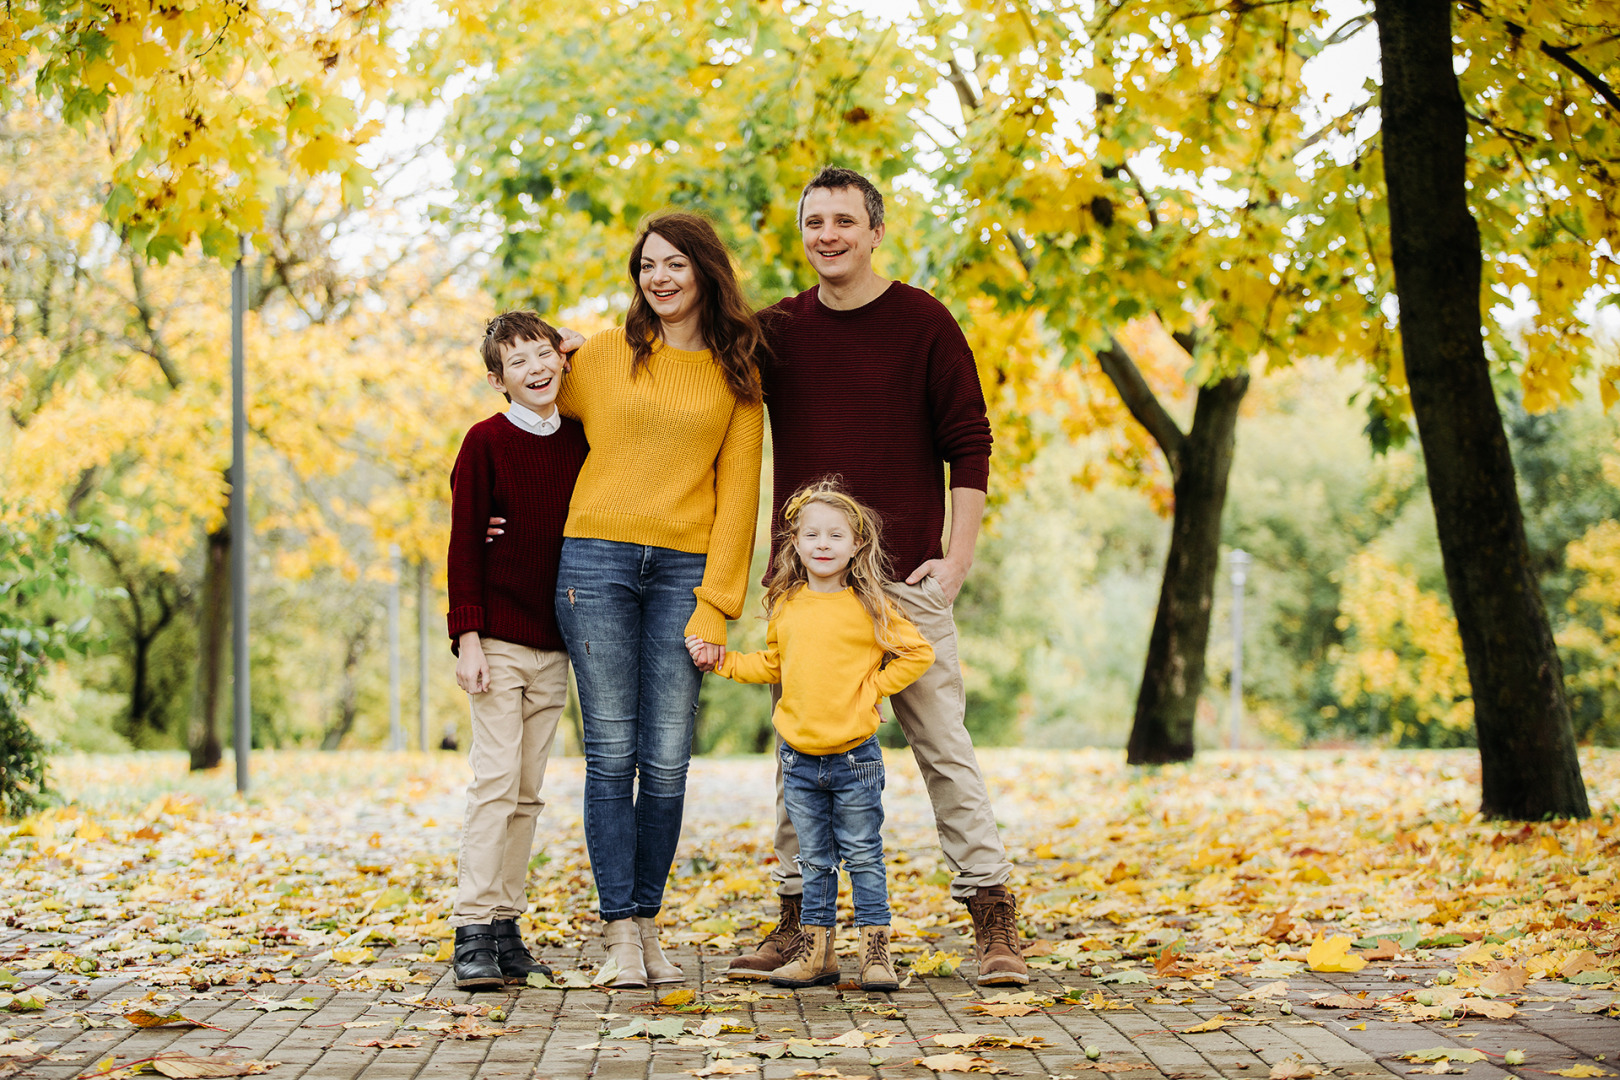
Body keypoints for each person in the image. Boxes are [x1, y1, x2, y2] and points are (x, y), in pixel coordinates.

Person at [724, 166, 1031, 987]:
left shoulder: (924, 322)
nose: (828, 235)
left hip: (903, 585)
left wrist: (956, 563)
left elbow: (970, 442)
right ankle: (800, 923)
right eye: (814, 221)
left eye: (844, 221)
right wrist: (572, 352)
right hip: (809, 584)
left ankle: (993, 918)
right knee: (800, 745)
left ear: (874, 231)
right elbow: (689, 350)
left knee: (944, 747)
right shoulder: (781, 329)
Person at [549, 212, 766, 989]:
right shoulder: (606, 356)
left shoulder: (738, 374)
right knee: (611, 755)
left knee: (667, 760)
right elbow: (526, 399)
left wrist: (718, 604)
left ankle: (647, 921)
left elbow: (739, 501)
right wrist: (552, 350)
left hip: (682, 573)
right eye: (648, 266)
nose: (661, 278)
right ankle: (620, 935)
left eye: (676, 264)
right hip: (596, 561)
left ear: (707, 271)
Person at [688, 480, 933, 991]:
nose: (823, 544)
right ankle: (818, 954)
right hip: (798, 760)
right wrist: (725, 662)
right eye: (811, 534)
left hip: (854, 758)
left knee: (864, 854)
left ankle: (876, 954)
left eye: (835, 535)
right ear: (795, 543)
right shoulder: (788, 604)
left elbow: (918, 653)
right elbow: (774, 663)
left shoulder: (871, 605)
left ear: (857, 544)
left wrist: (873, 690)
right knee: (814, 860)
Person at [444, 311, 588, 990]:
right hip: (497, 643)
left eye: (544, 354)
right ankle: (471, 929)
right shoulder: (484, 442)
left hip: (555, 643)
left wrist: (584, 353)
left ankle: (505, 927)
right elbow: (465, 542)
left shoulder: (583, 441)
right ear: (497, 379)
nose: (535, 369)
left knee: (528, 794)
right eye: (517, 362)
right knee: (495, 785)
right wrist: (466, 637)